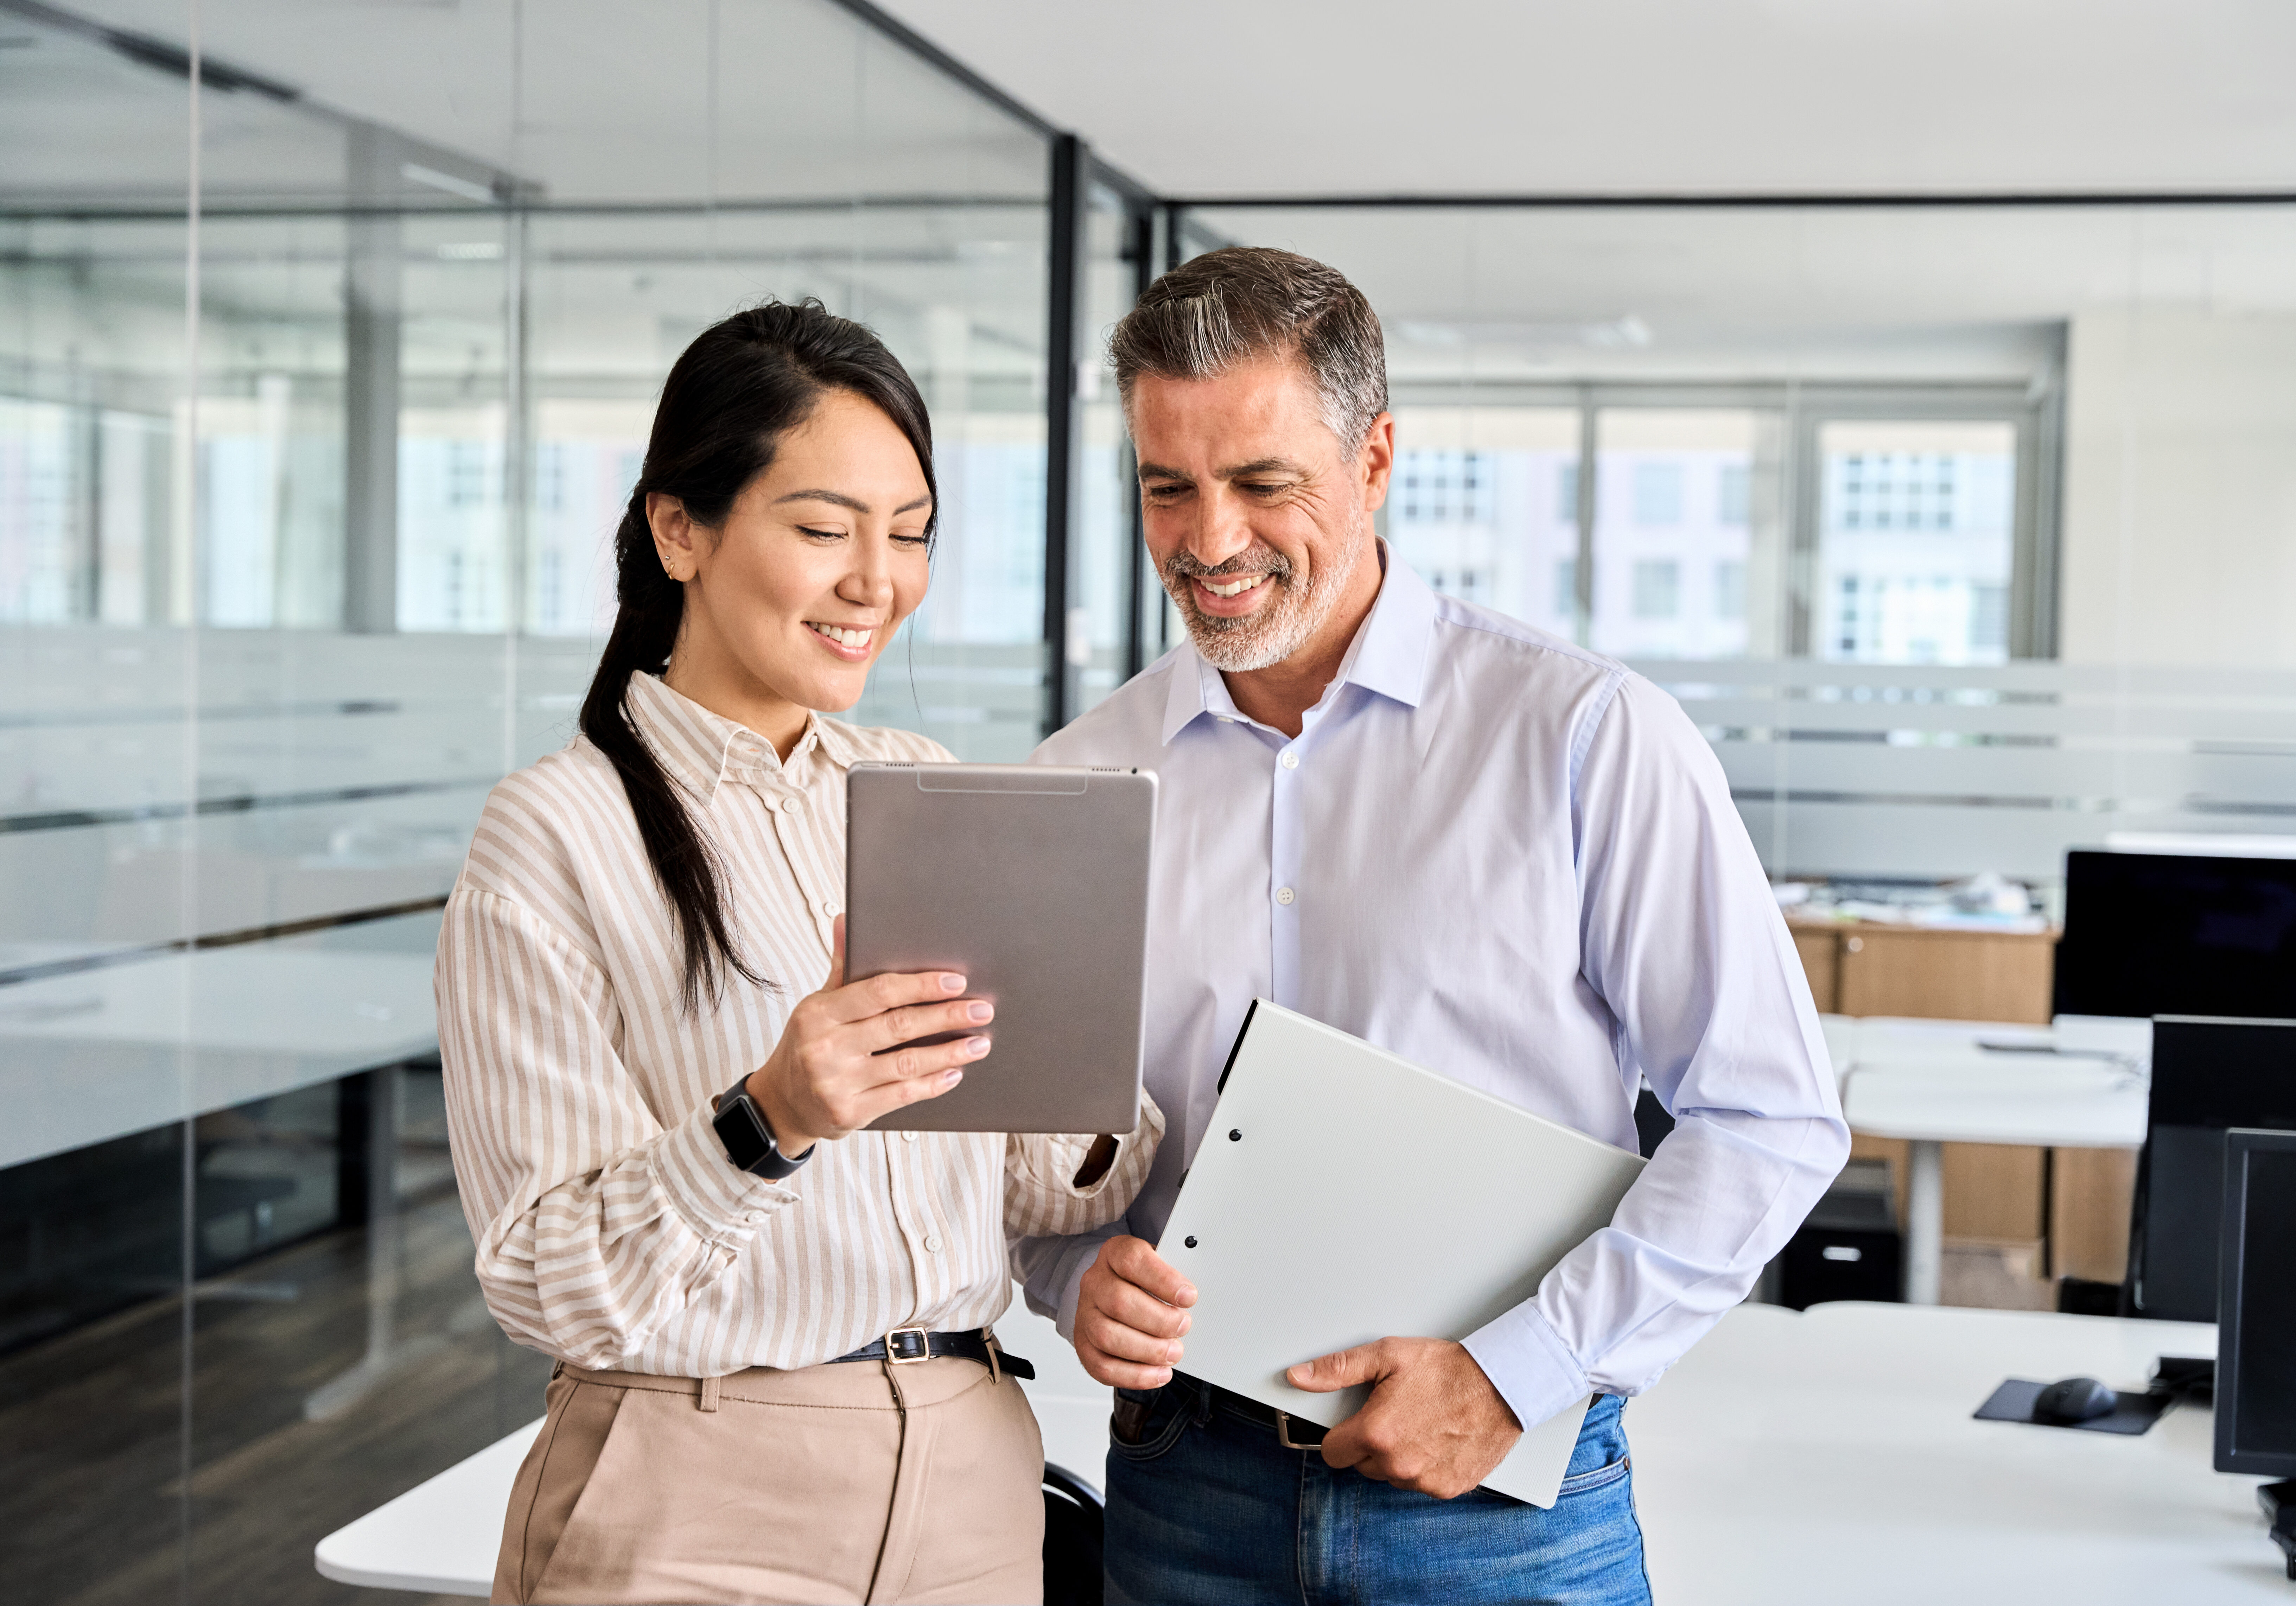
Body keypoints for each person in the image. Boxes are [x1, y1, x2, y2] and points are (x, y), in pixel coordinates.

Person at [1018, 248, 1848, 1605]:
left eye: (1264, 483)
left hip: (1505, 1495)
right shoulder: (1081, 784)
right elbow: (1039, 1156)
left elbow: (1770, 1117)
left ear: (1379, 455)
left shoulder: (1583, 735)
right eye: (1169, 488)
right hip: (1186, 1488)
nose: (1211, 540)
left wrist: (1525, 1371)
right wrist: (1068, 1275)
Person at [438, 300, 1162, 1606]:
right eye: (824, 530)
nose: (876, 582)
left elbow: (1059, 1193)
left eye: (912, 535)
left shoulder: (927, 790)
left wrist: (1083, 1072)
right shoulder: (554, 831)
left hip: (973, 1474)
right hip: (697, 1483)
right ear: (680, 530)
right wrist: (769, 1119)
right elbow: (546, 1286)